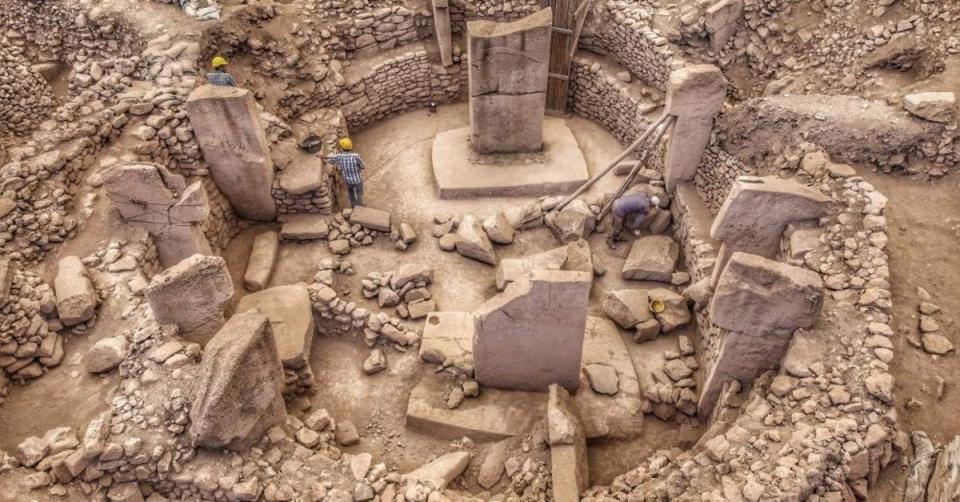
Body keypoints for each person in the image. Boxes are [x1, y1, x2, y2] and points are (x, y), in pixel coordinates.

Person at [327, 137, 366, 207]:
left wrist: (322, 157)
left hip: (348, 180)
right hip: (358, 180)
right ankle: (360, 206)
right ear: (350, 147)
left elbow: (330, 160)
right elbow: (362, 166)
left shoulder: (339, 156)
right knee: (359, 193)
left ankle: (353, 206)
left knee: (351, 194)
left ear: (341, 148)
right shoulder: (356, 156)